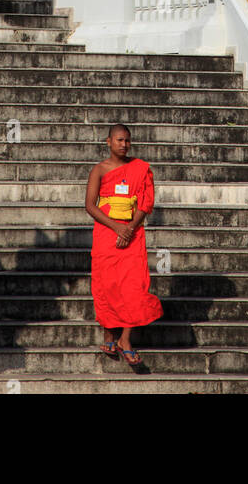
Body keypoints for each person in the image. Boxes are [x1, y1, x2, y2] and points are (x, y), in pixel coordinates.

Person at [85, 123, 163, 369]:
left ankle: (125, 339)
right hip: (107, 233)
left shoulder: (140, 168)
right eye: (119, 140)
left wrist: (129, 229)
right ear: (108, 141)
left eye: (127, 141)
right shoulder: (99, 170)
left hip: (133, 233)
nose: (124, 145)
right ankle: (109, 334)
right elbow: (90, 205)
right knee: (107, 285)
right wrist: (117, 228)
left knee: (134, 286)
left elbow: (146, 202)